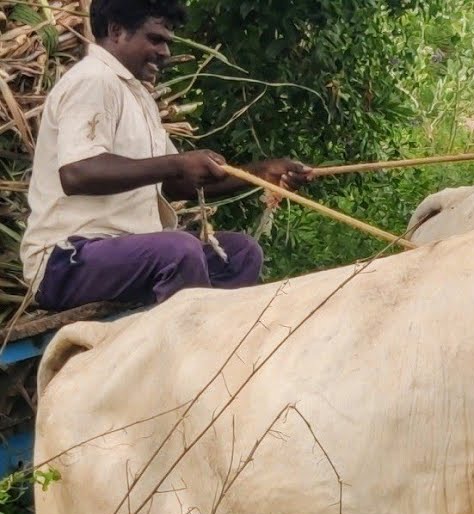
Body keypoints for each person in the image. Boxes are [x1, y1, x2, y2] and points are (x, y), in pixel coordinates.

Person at [20, 0, 313, 312]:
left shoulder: (140, 98)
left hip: (126, 254)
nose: (165, 52)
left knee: (241, 253)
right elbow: (76, 172)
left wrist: (262, 173)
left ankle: (216, 352)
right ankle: (189, 355)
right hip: (65, 261)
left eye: (168, 43)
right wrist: (177, 163)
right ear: (116, 31)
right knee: (180, 250)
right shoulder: (93, 80)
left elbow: (176, 185)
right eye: (155, 39)